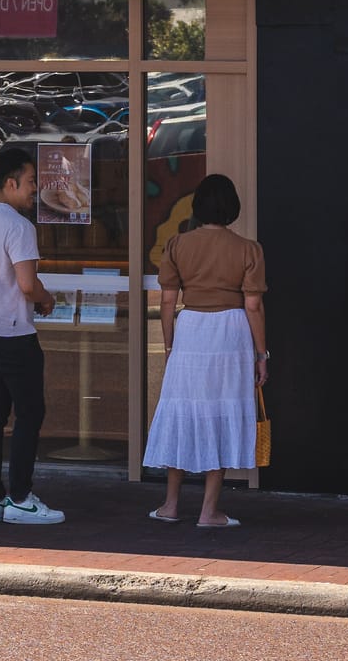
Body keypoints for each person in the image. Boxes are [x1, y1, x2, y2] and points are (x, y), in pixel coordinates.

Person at [144, 173, 266, 527]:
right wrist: (262, 354)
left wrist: (170, 344)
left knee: (183, 411)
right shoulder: (248, 249)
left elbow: (168, 302)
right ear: (232, 208)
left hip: (191, 329)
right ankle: (209, 511)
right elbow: (254, 307)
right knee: (222, 413)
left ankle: (170, 505)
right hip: (232, 331)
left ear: (197, 207)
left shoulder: (177, 245)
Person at [0, 143, 64, 525]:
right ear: (10, 183)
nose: (34, 190)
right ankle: (21, 497)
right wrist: (46, 299)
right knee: (29, 412)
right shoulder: (19, 226)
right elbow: (27, 284)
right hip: (12, 333)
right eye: (30, 182)